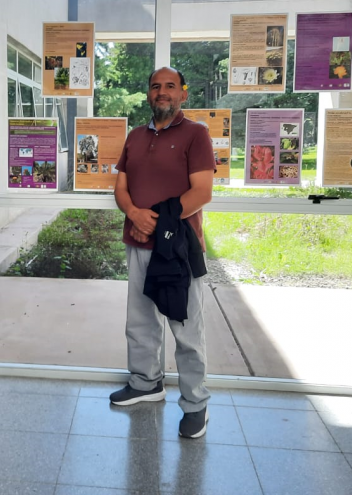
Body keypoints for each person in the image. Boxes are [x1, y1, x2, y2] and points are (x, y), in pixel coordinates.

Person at [110, 67, 215, 439]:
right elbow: (121, 187)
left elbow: (202, 192)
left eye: (170, 86)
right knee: (140, 322)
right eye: (155, 86)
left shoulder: (196, 135)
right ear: (148, 94)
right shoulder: (135, 136)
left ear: (183, 94)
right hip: (137, 242)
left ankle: (195, 404)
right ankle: (146, 383)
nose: (162, 92)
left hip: (178, 248)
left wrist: (156, 221)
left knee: (186, 327)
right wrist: (134, 214)